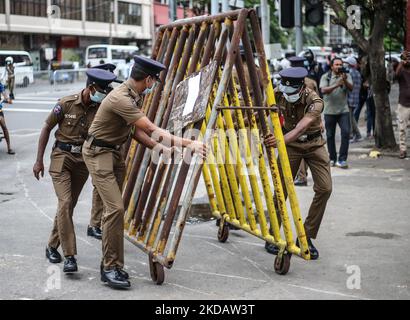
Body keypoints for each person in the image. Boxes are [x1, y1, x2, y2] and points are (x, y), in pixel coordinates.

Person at [82, 55, 207, 289]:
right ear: (148, 80)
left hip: (113, 152)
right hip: (98, 154)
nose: (153, 86)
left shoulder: (131, 95)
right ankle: (109, 267)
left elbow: (134, 132)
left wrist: (159, 148)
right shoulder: (122, 98)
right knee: (115, 209)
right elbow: (150, 128)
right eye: (154, 82)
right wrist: (189, 144)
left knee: (114, 211)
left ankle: (112, 264)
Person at [33, 68, 117, 273]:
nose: (104, 95)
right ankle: (70, 256)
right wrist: (38, 161)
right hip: (61, 158)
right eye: (101, 90)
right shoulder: (66, 103)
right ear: (90, 88)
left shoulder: (100, 107)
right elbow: (46, 128)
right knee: (65, 202)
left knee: (68, 207)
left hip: (82, 162)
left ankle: (52, 246)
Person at [263, 67, 332, 260]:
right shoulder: (279, 93)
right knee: (281, 188)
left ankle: (306, 237)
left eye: (291, 92)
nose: (287, 95)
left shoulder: (315, 101)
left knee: (325, 189)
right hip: (291, 147)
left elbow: (302, 126)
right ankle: (273, 234)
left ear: (301, 88)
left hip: (314, 144)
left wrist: (279, 141)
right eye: (285, 91)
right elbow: (263, 112)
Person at [320, 57, 353, 168]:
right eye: (337, 64)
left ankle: (342, 159)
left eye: (340, 64)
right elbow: (323, 90)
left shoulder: (346, 76)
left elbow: (351, 88)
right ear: (332, 66)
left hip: (343, 111)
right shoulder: (326, 77)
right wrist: (337, 84)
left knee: (346, 133)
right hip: (329, 111)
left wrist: (344, 81)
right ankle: (332, 158)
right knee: (330, 135)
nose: (339, 66)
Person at [344, 57, 363, 142]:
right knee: (351, 117)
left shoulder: (349, 73)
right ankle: (358, 135)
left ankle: (351, 135)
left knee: (350, 118)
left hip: (349, 98)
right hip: (355, 98)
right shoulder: (357, 73)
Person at [396, 50, 410, 159]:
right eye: (407, 58)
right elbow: (396, 74)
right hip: (403, 103)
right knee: (402, 128)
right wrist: (402, 61)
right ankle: (403, 150)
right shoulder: (401, 71)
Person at [0, 82, 15, 154]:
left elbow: (4, 94)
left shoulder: (0, 85)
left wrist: (8, 99)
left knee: (4, 126)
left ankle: (9, 148)